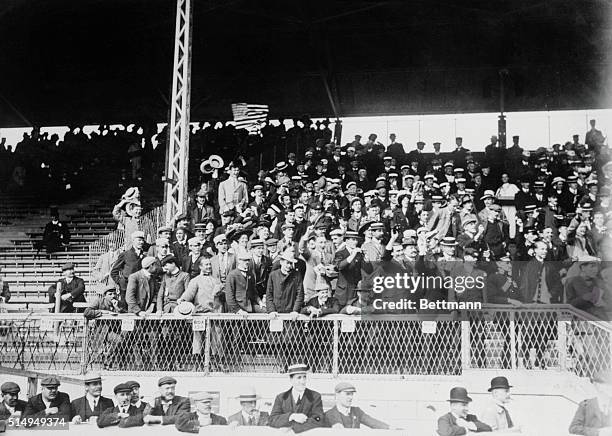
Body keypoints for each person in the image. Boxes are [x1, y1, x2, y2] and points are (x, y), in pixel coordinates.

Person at [269, 364, 324, 433]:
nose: (303, 381)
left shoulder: (315, 396)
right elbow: (272, 420)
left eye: (304, 377)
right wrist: (291, 416)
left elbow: (319, 419)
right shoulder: (281, 398)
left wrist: (293, 428)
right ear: (291, 379)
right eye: (299, 378)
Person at [324, 382, 390, 429]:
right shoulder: (327, 415)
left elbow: (373, 423)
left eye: (351, 394)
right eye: (347, 394)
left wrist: (390, 428)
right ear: (337, 395)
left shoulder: (357, 411)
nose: (350, 397)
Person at [110, 230, 148, 311]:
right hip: (126, 287)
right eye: (139, 240)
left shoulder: (145, 256)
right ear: (133, 241)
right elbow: (114, 272)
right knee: (126, 309)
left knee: (139, 308)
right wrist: (121, 282)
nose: (141, 242)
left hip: (140, 287)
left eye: (142, 240)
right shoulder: (125, 254)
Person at [569, 369, 612, 435]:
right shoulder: (585, 405)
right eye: (604, 385)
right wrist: (597, 432)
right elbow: (573, 428)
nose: (607, 389)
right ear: (596, 386)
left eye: (609, 385)